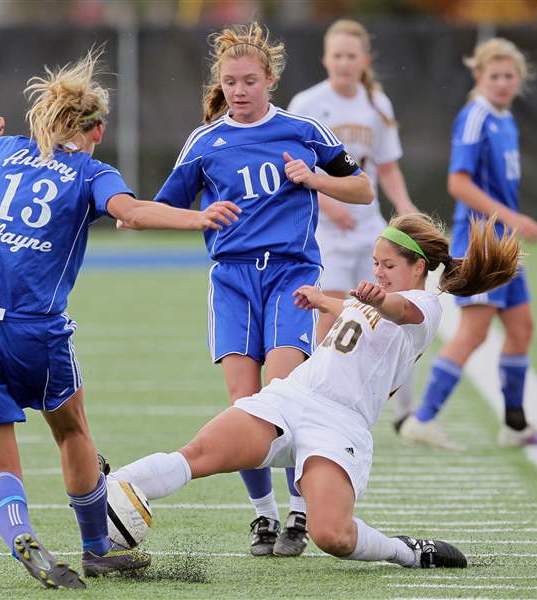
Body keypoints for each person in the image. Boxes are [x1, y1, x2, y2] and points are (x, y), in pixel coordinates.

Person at [0, 49, 239, 589]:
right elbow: (132, 212)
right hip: (33, 328)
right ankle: (95, 547)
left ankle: (22, 535)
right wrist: (197, 216)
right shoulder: (92, 170)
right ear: (94, 129)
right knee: (72, 431)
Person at [107, 213, 520, 570]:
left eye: (388, 265)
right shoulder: (374, 298)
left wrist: (377, 299)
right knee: (198, 453)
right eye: (375, 263)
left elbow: (397, 311)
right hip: (291, 397)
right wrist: (324, 300)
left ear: (418, 268)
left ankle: (406, 552)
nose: (378, 272)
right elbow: (357, 313)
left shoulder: (424, 307)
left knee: (332, 536)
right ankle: (108, 489)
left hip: (339, 425)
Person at [151, 22, 373, 557]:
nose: (240, 91)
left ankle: (300, 513)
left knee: (285, 393)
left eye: (249, 80)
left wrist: (315, 179)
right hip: (231, 279)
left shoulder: (303, 130)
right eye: (230, 82)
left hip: (291, 275)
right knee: (244, 404)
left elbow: (362, 188)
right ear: (220, 84)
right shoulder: (205, 142)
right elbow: (159, 207)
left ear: (270, 79)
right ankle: (264, 517)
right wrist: (199, 215)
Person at [399, 38, 537, 450]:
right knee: (473, 332)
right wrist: (512, 217)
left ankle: (515, 425)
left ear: (519, 80)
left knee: (521, 329)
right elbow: (458, 183)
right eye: (495, 76)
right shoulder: (475, 117)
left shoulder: (505, 119)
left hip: (503, 244)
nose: (503, 83)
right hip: (480, 243)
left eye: (509, 76)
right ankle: (423, 418)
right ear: (479, 76)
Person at [287, 19, 418, 430]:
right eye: (337, 55)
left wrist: (405, 207)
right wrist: (327, 201)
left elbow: (388, 167)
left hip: (369, 228)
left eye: (351, 55)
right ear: (326, 58)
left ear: (364, 60)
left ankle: (405, 412)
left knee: (395, 313)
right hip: (328, 230)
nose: (344, 63)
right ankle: (311, 399)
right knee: (333, 312)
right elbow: (294, 167)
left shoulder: (377, 104)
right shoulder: (307, 103)